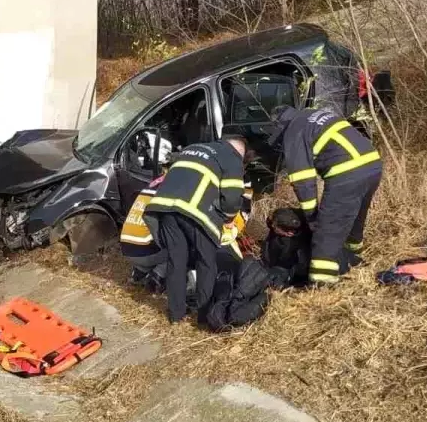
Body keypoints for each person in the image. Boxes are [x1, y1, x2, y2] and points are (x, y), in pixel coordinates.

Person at [140, 137, 249, 323]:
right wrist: (229, 219)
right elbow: (231, 199)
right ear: (239, 151)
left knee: (176, 260)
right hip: (194, 212)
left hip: (164, 208)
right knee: (206, 261)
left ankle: (176, 315)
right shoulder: (231, 157)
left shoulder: (192, 147)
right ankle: (203, 316)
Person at [270, 106, 383, 286]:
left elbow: (302, 181)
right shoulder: (311, 115)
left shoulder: (293, 130)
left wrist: (313, 217)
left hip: (347, 172)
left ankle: (323, 286)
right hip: (372, 165)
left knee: (326, 235)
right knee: (353, 220)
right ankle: (353, 259)